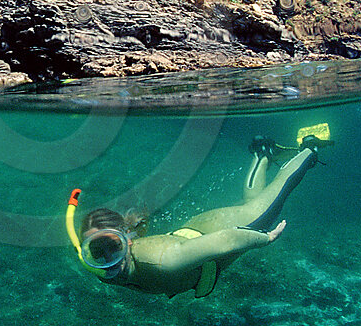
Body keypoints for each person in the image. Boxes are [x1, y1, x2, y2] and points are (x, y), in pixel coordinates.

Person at [65, 125, 330, 298]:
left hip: (217, 231)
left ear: (127, 239)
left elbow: (226, 240)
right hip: (197, 233)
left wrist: (265, 239)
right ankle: (263, 154)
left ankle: (309, 147)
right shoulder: (95, 266)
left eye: (114, 246)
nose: (109, 260)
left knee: (268, 209)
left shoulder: (165, 262)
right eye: (97, 251)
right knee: (253, 206)